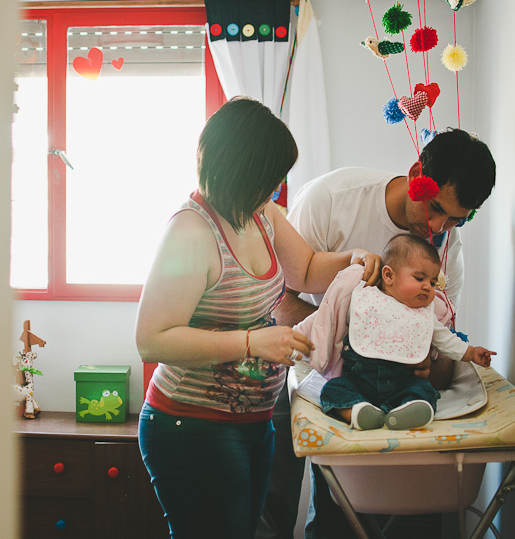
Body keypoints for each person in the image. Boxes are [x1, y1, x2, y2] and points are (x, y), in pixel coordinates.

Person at [134, 97, 380, 539]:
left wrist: (351, 257)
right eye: (270, 177)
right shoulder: (191, 233)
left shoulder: (262, 214)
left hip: (252, 420)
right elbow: (152, 339)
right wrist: (252, 342)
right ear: (240, 170)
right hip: (191, 424)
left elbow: (304, 269)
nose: (277, 187)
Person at [259, 128, 496, 539]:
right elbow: (278, 301)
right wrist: (347, 345)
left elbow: (441, 345)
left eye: (457, 219)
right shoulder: (332, 202)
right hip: (318, 358)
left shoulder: (446, 251)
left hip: (397, 386)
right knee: (312, 486)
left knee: (408, 505)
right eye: (435, 207)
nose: (438, 226)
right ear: (416, 173)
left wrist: (426, 364)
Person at [317, 234, 495, 431]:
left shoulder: (424, 315)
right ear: (388, 276)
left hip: (402, 384)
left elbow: (446, 341)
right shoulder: (363, 298)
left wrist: (471, 352)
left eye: (433, 282)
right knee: (333, 389)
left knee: (424, 390)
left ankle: (408, 411)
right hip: (359, 381)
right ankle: (357, 412)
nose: (428, 287)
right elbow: (331, 319)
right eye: (419, 278)